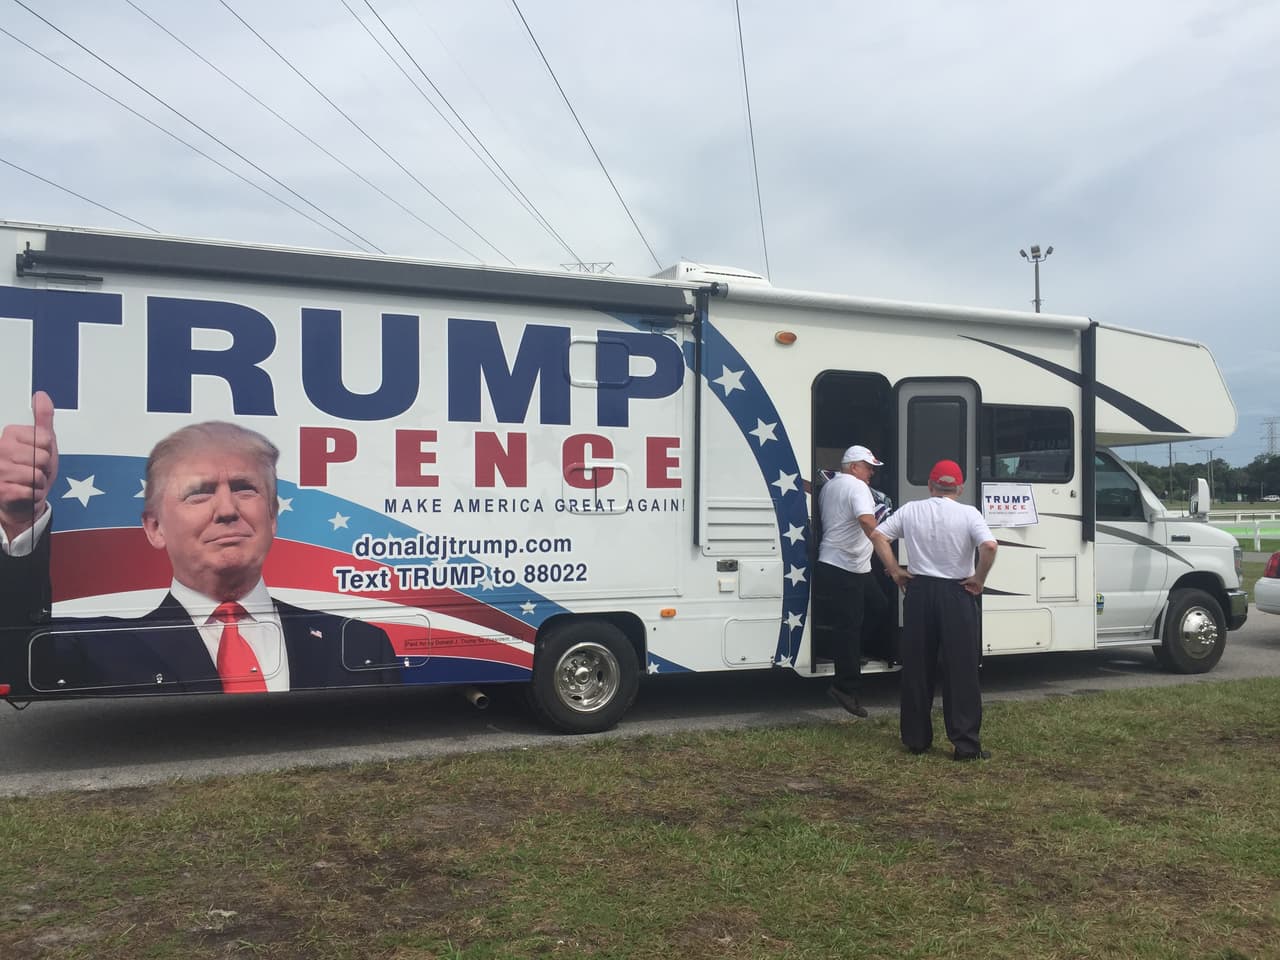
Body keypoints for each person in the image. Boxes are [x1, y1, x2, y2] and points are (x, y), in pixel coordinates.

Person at [0, 392, 399, 694]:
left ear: (273, 516)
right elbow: (13, 668)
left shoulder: (360, 643)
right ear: (155, 527)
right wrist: (19, 522)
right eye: (199, 493)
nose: (227, 509)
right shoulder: (98, 648)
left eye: (245, 489)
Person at [871, 459, 997, 760]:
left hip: (919, 590)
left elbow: (878, 536)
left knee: (917, 666)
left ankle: (916, 739)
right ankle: (965, 744)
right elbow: (989, 547)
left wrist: (895, 571)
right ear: (960, 487)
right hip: (957, 592)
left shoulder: (912, 509)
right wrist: (979, 579)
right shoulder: (969, 513)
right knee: (961, 669)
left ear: (930, 485)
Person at [815, 444, 886, 717]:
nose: (871, 474)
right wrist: (885, 548)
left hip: (846, 564)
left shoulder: (831, 486)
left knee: (878, 606)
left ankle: (853, 654)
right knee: (849, 626)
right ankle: (845, 687)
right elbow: (867, 522)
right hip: (846, 566)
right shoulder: (857, 488)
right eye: (869, 468)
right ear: (854, 466)